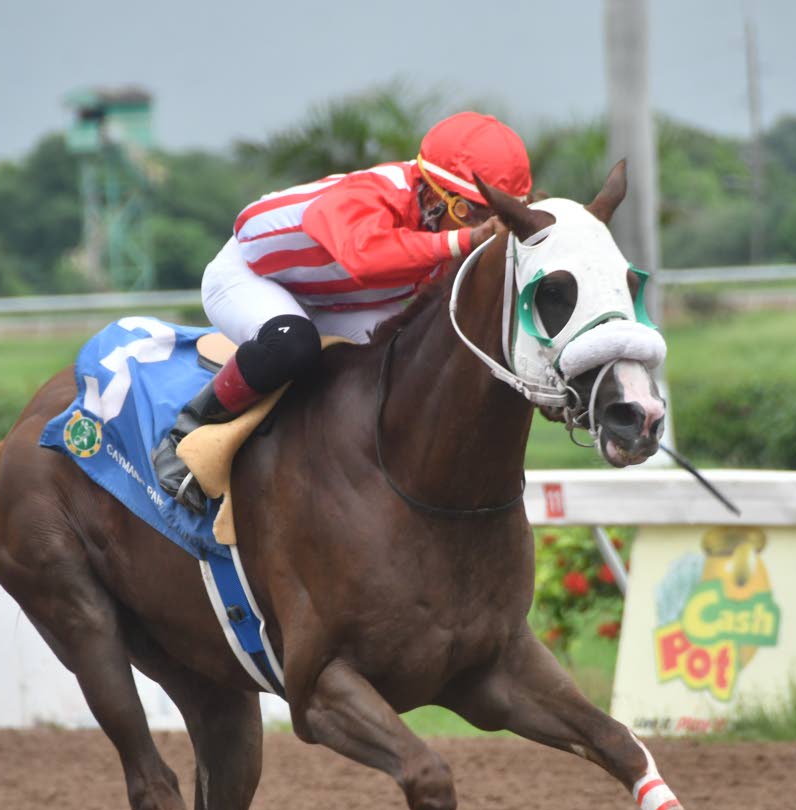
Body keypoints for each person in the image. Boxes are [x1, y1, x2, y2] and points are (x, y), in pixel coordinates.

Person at [151, 111, 534, 512]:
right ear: (435, 196)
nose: (483, 228)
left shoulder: (443, 215)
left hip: (341, 298)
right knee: (292, 344)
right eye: (471, 213)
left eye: (496, 217)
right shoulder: (372, 193)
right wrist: (466, 239)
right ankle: (184, 437)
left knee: (402, 367)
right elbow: (365, 259)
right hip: (253, 274)